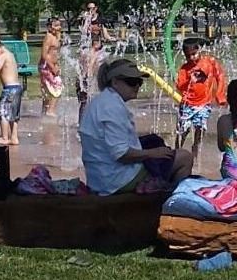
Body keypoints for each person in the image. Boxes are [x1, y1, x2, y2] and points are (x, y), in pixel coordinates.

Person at [79, 57, 193, 194]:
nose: (137, 86)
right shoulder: (112, 108)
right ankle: (171, 203)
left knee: (153, 141)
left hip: (100, 177)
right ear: (115, 82)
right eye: (131, 82)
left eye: (139, 82)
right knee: (185, 157)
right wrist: (153, 153)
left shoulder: (101, 101)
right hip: (117, 181)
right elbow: (121, 154)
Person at [174, 38, 227, 156]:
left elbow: (220, 76)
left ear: (199, 50)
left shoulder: (209, 62)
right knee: (183, 129)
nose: (191, 58)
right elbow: (179, 86)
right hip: (187, 104)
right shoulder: (184, 69)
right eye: (188, 56)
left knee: (201, 128)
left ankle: (196, 149)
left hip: (204, 103)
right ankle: (177, 150)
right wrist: (189, 80)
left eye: (194, 54)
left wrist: (220, 94)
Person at [76, 36, 108, 122]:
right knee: (85, 102)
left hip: (82, 80)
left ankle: (85, 122)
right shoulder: (91, 53)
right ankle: (83, 123)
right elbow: (88, 68)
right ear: (96, 43)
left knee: (86, 102)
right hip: (85, 80)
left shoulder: (87, 52)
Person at [39, 17, 65, 118]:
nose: (58, 28)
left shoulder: (56, 36)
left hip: (51, 66)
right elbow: (44, 55)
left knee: (47, 91)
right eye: (56, 25)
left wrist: (56, 64)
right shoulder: (48, 37)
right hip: (46, 66)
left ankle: (45, 112)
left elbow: (56, 52)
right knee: (57, 86)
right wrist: (52, 67)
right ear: (49, 27)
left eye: (59, 25)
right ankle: (50, 111)